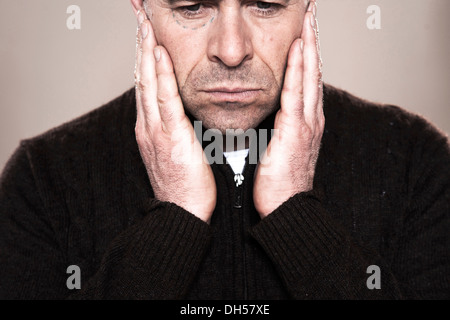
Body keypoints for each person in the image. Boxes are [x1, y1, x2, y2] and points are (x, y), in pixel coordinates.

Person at [0, 0, 449, 300]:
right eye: (192, 7)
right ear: (141, 8)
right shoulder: (43, 178)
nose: (232, 51)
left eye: (267, 5)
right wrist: (173, 219)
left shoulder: (415, 160)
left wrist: (296, 214)